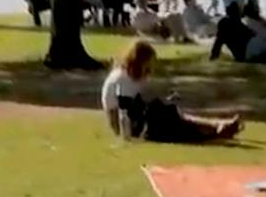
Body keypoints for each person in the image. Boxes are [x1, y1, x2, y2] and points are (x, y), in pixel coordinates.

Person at [102, 40, 242, 142]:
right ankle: (217, 130)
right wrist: (124, 137)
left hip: (136, 120)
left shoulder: (128, 75)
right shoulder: (124, 78)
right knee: (172, 121)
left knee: (170, 112)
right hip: (133, 126)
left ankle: (217, 125)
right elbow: (122, 113)